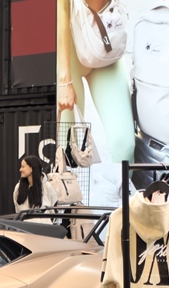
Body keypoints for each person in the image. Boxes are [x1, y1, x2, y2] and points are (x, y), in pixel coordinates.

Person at [57, 0, 135, 206]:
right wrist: (64, 80)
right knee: (67, 151)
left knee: (124, 145)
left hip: (104, 37)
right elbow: (61, 11)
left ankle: (122, 216)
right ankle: (70, 217)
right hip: (69, 45)